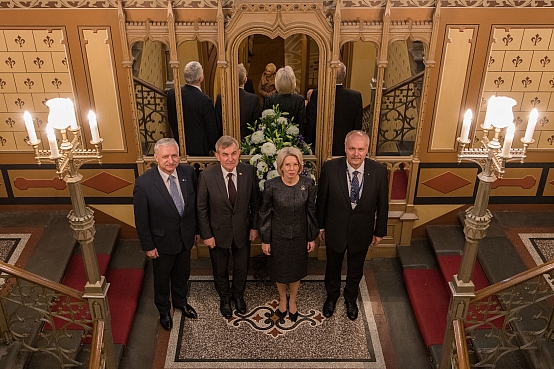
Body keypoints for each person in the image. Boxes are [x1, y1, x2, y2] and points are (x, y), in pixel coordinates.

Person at [316, 130, 388, 320]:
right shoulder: (331, 168)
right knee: (333, 266)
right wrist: (321, 227)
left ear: (367, 150)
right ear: (345, 149)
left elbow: (383, 204)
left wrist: (379, 230)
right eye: (352, 149)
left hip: (362, 231)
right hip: (335, 229)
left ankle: (350, 299)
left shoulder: (379, 171)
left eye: (360, 149)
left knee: (356, 268)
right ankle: (331, 297)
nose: (356, 153)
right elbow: (321, 200)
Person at [133, 138, 198, 331]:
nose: (170, 160)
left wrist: (194, 231)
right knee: (162, 280)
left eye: (174, 155)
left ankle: (180, 302)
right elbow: (141, 219)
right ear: (156, 158)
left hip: (185, 238)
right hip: (160, 243)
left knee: (182, 274)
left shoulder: (188, 173)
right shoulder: (144, 184)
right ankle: (164, 311)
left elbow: (192, 207)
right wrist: (148, 246)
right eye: (165, 156)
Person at [197, 136, 262, 318]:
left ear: (239, 153)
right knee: (220, 268)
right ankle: (225, 297)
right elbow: (201, 208)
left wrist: (254, 227)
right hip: (217, 233)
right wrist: (206, 235)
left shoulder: (249, 172)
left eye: (234, 153)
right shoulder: (207, 176)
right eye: (225, 154)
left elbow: (256, 203)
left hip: (243, 230)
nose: (230, 158)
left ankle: (238, 295)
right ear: (217, 156)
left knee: (242, 267)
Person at [259, 147, 318, 323]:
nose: (292, 168)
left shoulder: (307, 185)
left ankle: (292, 299)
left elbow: (311, 211)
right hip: (278, 236)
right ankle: (282, 299)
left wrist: (311, 236)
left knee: (295, 270)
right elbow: (265, 213)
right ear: (281, 167)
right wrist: (265, 239)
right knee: (280, 270)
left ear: (300, 166)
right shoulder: (272, 186)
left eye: (295, 164)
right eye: (288, 165)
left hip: (299, 236)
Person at [306, 62, 363, 155]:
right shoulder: (355, 96)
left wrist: (308, 142)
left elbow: (311, 121)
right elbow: (357, 125)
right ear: (344, 76)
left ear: (328, 75)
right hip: (345, 147)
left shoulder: (317, 94)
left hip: (321, 145)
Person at [167, 61, 219, 156]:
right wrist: (214, 148)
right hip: (199, 150)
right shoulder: (205, 100)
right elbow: (211, 128)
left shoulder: (172, 93)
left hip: (179, 145)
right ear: (201, 78)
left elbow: (171, 118)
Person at [215, 64, 262, 140]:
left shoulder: (221, 98)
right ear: (245, 80)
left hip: (226, 143)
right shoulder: (253, 99)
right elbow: (257, 124)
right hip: (247, 143)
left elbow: (217, 124)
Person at [264, 66, 306, 136]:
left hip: (274, 139)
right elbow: (301, 124)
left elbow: (266, 124)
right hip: (294, 137)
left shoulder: (270, 99)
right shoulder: (299, 100)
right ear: (293, 82)